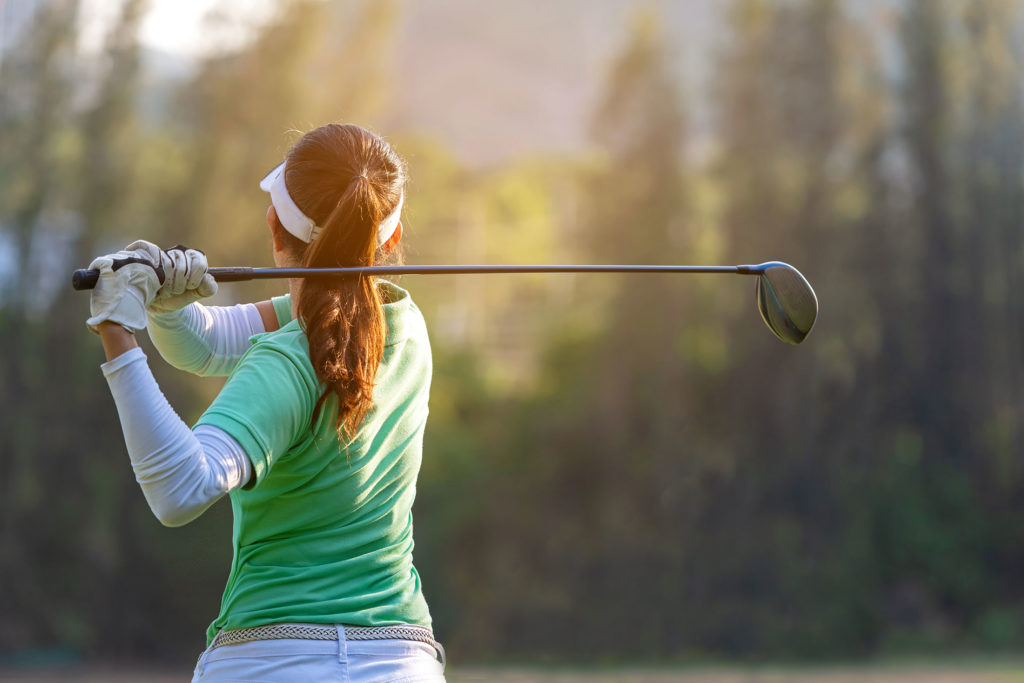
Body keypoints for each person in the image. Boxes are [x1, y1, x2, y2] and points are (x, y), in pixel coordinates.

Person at [86, 123, 445, 682]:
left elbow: (179, 489)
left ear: (274, 226)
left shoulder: (286, 360)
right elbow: (205, 344)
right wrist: (167, 307)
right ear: (390, 241)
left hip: (269, 660)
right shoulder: (407, 328)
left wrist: (116, 330)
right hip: (399, 662)